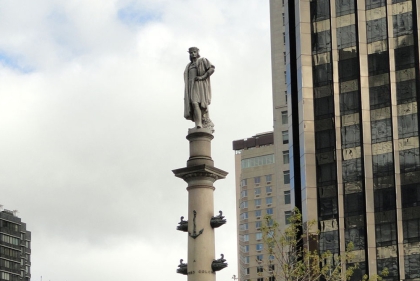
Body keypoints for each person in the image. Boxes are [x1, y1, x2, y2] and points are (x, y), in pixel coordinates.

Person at [184, 47, 215, 129]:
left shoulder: (202, 60)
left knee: (199, 104)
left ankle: (201, 123)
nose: (193, 54)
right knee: (194, 104)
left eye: (194, 52)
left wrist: (202, 77)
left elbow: (212, 68)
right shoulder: (189, 66)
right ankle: (199, 123)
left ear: (197, 53)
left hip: (200, 85)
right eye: (191, 53)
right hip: (191, 86)